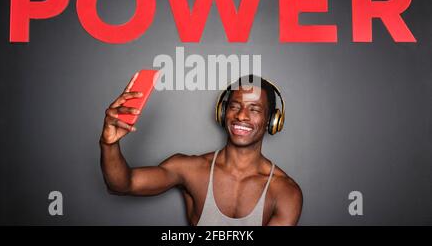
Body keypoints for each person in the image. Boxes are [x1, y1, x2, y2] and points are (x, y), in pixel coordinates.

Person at [99, 74, 302, 226]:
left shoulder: (285, 192)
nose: (241, 116)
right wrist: (109, 145)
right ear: (222, 112)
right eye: (234, 106)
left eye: (254, 109)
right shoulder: (190, 169)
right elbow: (123, 184)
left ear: (272, 121)